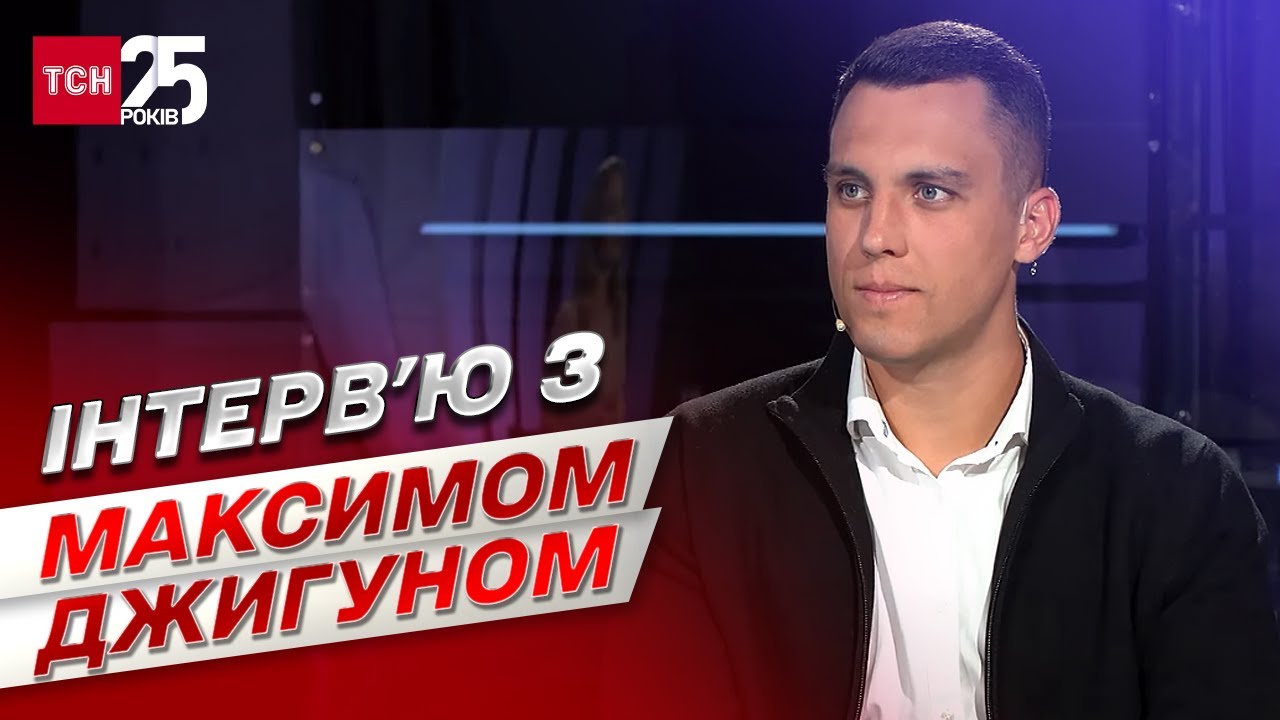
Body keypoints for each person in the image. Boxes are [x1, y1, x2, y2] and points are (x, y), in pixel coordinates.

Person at [603, 19, 1280, 720]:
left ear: (1032, 226)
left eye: (929, 192)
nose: (875, 237)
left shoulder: (1177, 493)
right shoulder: (699, 466)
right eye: (852, 190)